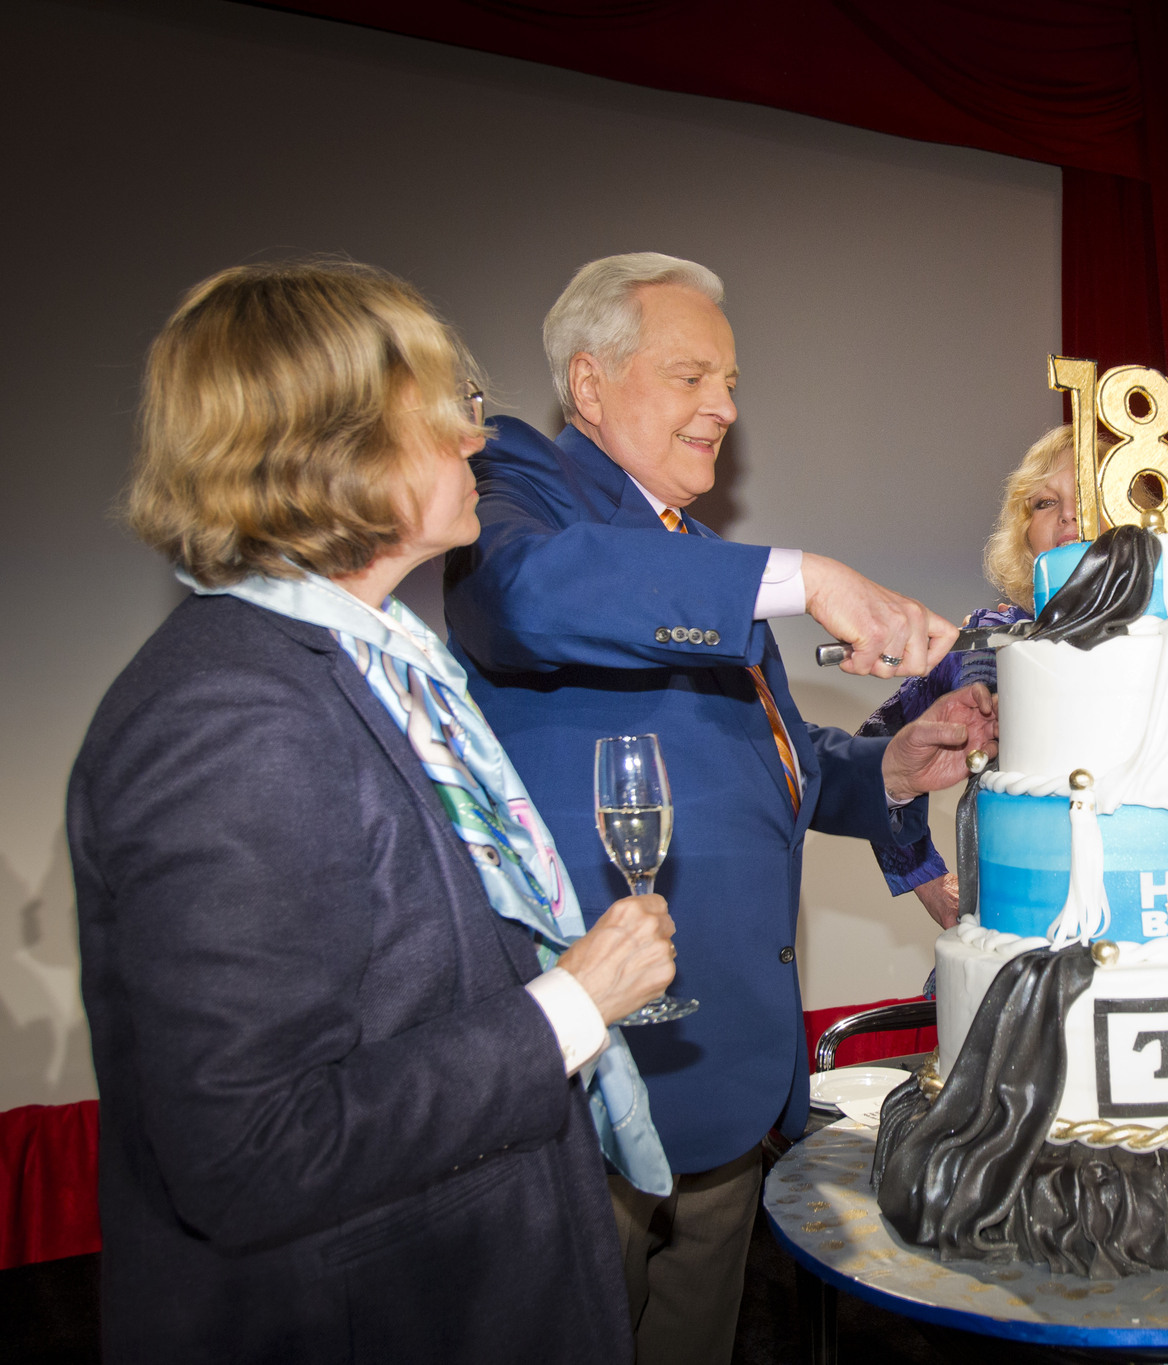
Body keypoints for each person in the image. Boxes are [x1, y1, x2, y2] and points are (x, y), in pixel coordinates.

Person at [71, 261, 680, 1363]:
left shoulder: (376, 669)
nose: (475, 441)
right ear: (333, 446)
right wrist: (569, 1006)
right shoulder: (232, 714)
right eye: (444, 413)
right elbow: (251, 1152)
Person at [442, 252, 997, 1361]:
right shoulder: (512, 486)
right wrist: (802, 575)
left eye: (732, 381)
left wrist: (887, 769)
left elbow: (765, 768)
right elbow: (525, 597)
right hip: (597, 1084)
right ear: (589, 385)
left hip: (731, 1071)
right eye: (691, 375)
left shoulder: (693, 556)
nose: (725, 408)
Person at [859, 424, 1080, 929]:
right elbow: (875, 751)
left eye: (1087, 494)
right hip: (1010, 928)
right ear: (1024, 530)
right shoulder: (986, 644)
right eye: (1045, 503)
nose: (1068, 515)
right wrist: (928, 881)